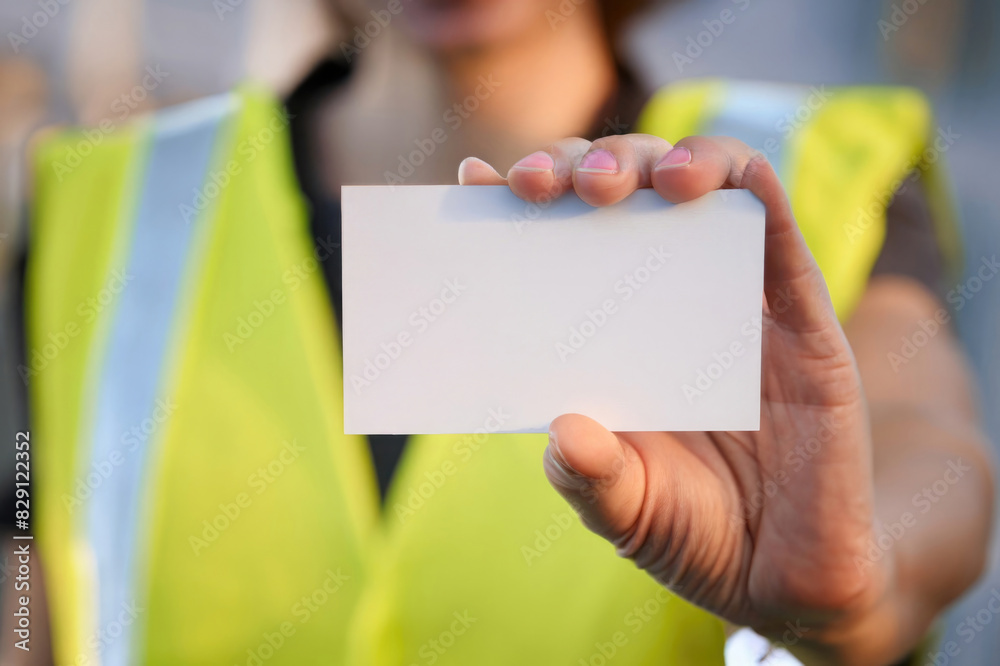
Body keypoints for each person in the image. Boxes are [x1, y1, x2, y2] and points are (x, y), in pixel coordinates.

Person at [20, 0, 993, 664]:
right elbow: (25, 557)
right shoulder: (100, 201)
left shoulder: (808, 173)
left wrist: (864, 586)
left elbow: (931, 453)